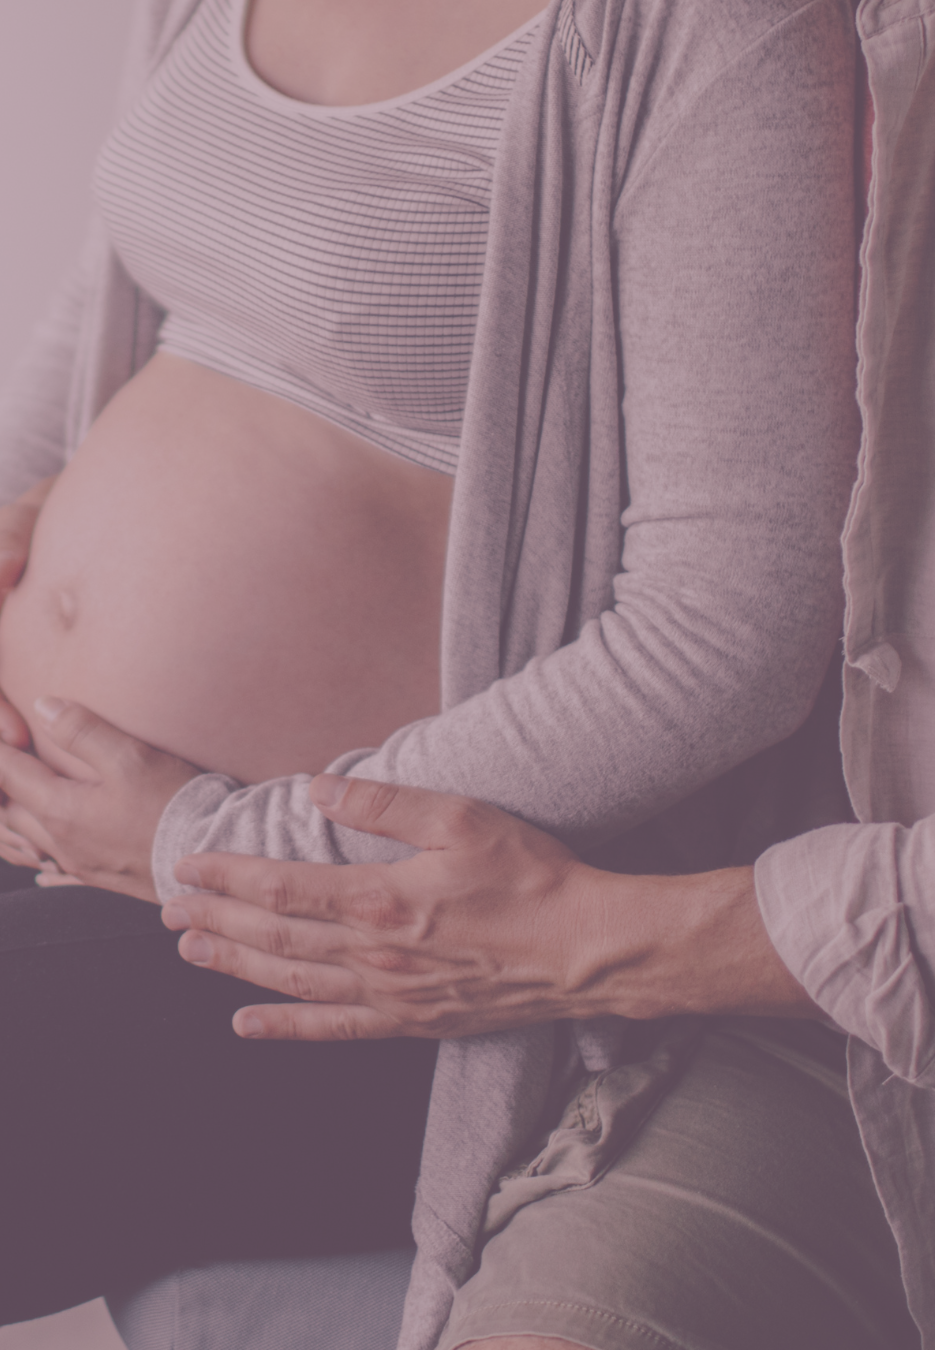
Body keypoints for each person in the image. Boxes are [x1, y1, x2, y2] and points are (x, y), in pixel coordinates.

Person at [0, 0, 898, 1348]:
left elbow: (728, 635)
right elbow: (125, 279)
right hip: (27, 812)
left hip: (333, 936)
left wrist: (216, 842)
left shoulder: (705, 30)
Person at [145, 6, 935, 1345]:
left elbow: (723, 630)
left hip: (681, 952)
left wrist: (597, 937)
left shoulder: (721, 38)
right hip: (748, 962)